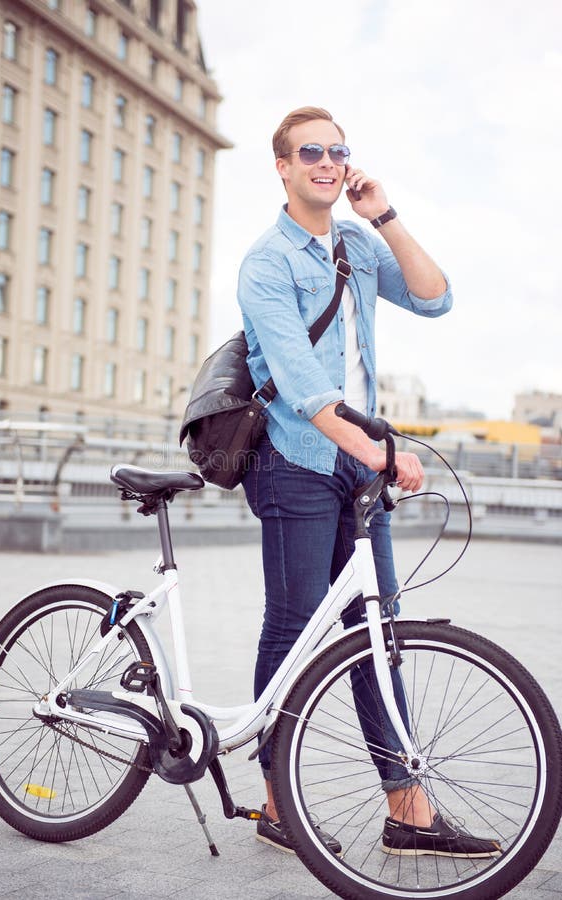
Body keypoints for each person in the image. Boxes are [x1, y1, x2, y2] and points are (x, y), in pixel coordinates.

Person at [237, 106, 501, 859]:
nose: (326, 161)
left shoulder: (353, 240)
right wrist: (381, 454)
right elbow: (300, 386)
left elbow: (432, 296)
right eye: (309, 152)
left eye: (336, 150)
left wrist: (382, 214)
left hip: (359, 465)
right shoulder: (265, 263)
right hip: (293, 460)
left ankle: (408, 813)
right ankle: (276, 804)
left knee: (376, 635)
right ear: (282, 168)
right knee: (291, 632)